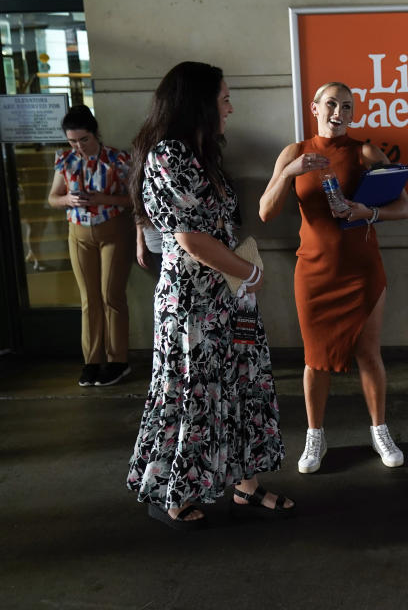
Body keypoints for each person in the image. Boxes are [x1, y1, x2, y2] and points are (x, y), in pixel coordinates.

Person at [126, 61, 293, 528]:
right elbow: (190, 240)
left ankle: (245, 485)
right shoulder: (170, 154)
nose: (230, 108)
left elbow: (217, 226)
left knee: (241, 385)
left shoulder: (199, 153)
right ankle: (172, 493)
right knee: (191, 394)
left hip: (226, 296)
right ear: (197, 103)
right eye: (223, 99)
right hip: (193, 302)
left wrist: (242, 278)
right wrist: (250, 274)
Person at [259, 81, 408, 473]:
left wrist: (367, 212)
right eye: (331, 104)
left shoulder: (365, 151)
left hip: (361, 269)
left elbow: (406, 207)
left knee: (368, 353)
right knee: (316, 360)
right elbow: (265, 212)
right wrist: (288, 173)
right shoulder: (294, 152)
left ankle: (379, 429)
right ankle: (315, 436)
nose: (338, 113)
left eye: (347, 106)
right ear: (315, 107)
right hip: (314, 269)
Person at [47, 104, 135, 387]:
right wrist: (67, 200)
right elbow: (53, 198)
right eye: (72, 141)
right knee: (89, 300)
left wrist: (103, 199)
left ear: (95, 133)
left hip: (113, 230)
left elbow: (134, 199)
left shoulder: (118, 159)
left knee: (112, 296)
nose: (79, 146)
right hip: (78, 232)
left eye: (83, 139)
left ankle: (118, 360)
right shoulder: (65, 160)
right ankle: (91, 361)